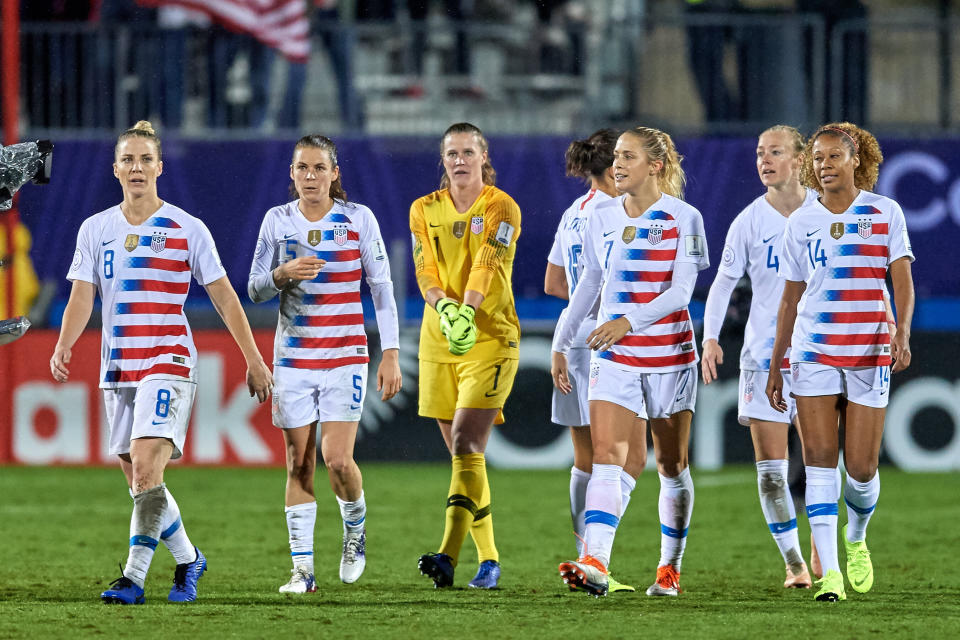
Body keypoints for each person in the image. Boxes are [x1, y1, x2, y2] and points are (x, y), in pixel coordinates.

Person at [50, 120, 273, 604]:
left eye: (145, 159)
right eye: (128, 159)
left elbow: (225, 298)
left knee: (149, 471)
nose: (136, 167)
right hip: (119, 368)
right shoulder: (96, 228)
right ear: (115, 169)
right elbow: (81, 297)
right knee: (140, 484)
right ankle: (190, 559)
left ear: (159, 167)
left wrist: (254, 359)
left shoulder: (187, 228)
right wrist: (65, 343)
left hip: (168, 358)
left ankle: (131, 579)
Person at [553, 126, 708, 597]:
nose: (617, 165)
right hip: (614, 355)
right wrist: (563, 341)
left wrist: (627, 320)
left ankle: (669, 569)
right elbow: (589, 283)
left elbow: (681, 292)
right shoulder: (599, 216)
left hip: (669, 354)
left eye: (628, 157)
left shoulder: (685, 217)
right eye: (616, 157)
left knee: (671, 463)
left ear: (655, 166)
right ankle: (595, 559)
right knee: (607, 457)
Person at [765, 122, 914, 602]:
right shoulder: (801, 223)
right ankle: (830, 574)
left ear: (856, 161)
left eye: (834, 157)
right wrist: (776, 364)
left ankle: (856, 537)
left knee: (863, 469)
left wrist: (901, 331)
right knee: (819, 462)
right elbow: (789, 299)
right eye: (818, 159)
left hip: (870, 348)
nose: (824, 166)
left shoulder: (884, 211)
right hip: (814, 352)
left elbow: (902, 281)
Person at [247, 134, 402, 593]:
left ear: (335, 173)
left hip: (345, 356)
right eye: (302, 169)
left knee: (337, 459)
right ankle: (303, 571)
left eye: (319, 168)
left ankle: (355, 530)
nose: (310, 177)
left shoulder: (357, 219)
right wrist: (280, 275)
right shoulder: (277, 221)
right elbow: (253, 287)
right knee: (299, 464)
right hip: (293, 359)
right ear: (291, 175)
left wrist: (389, 351)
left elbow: (382, 287)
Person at [701, 125, 823, 588]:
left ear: (799, 159)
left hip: (817, 356)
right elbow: (722, 285)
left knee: (820, 465)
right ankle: (795, 563)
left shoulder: (827, 212)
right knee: (772, 471)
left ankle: (822, 549)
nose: (764, 160)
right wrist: (711, 338)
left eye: (775, 152)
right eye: (758, 153)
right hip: (760, 359)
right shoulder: (748, 221)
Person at [411, 122, 521, 590]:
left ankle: (448, 556)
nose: (459, 160)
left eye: (467, 152)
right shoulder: (423, 209)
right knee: (465, 457)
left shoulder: (502, 206)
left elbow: (488, 263)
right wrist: (444, 307)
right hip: (439, 340)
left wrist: (467, 312)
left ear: (482, 157)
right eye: (451, 153)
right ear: (444, 159)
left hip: (490, 337)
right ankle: (490, 560)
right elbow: (424, 266)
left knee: (464, 445)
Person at [545, 129, 647, 594]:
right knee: (633, 456)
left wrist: (569, 334)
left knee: (586, 457)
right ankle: (593, 558)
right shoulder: (614, 211)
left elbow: (553, 282)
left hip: (572, 337)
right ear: (613, 170)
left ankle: (585, 553)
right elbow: (608, 279)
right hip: (612, 339)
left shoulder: (573, 213)